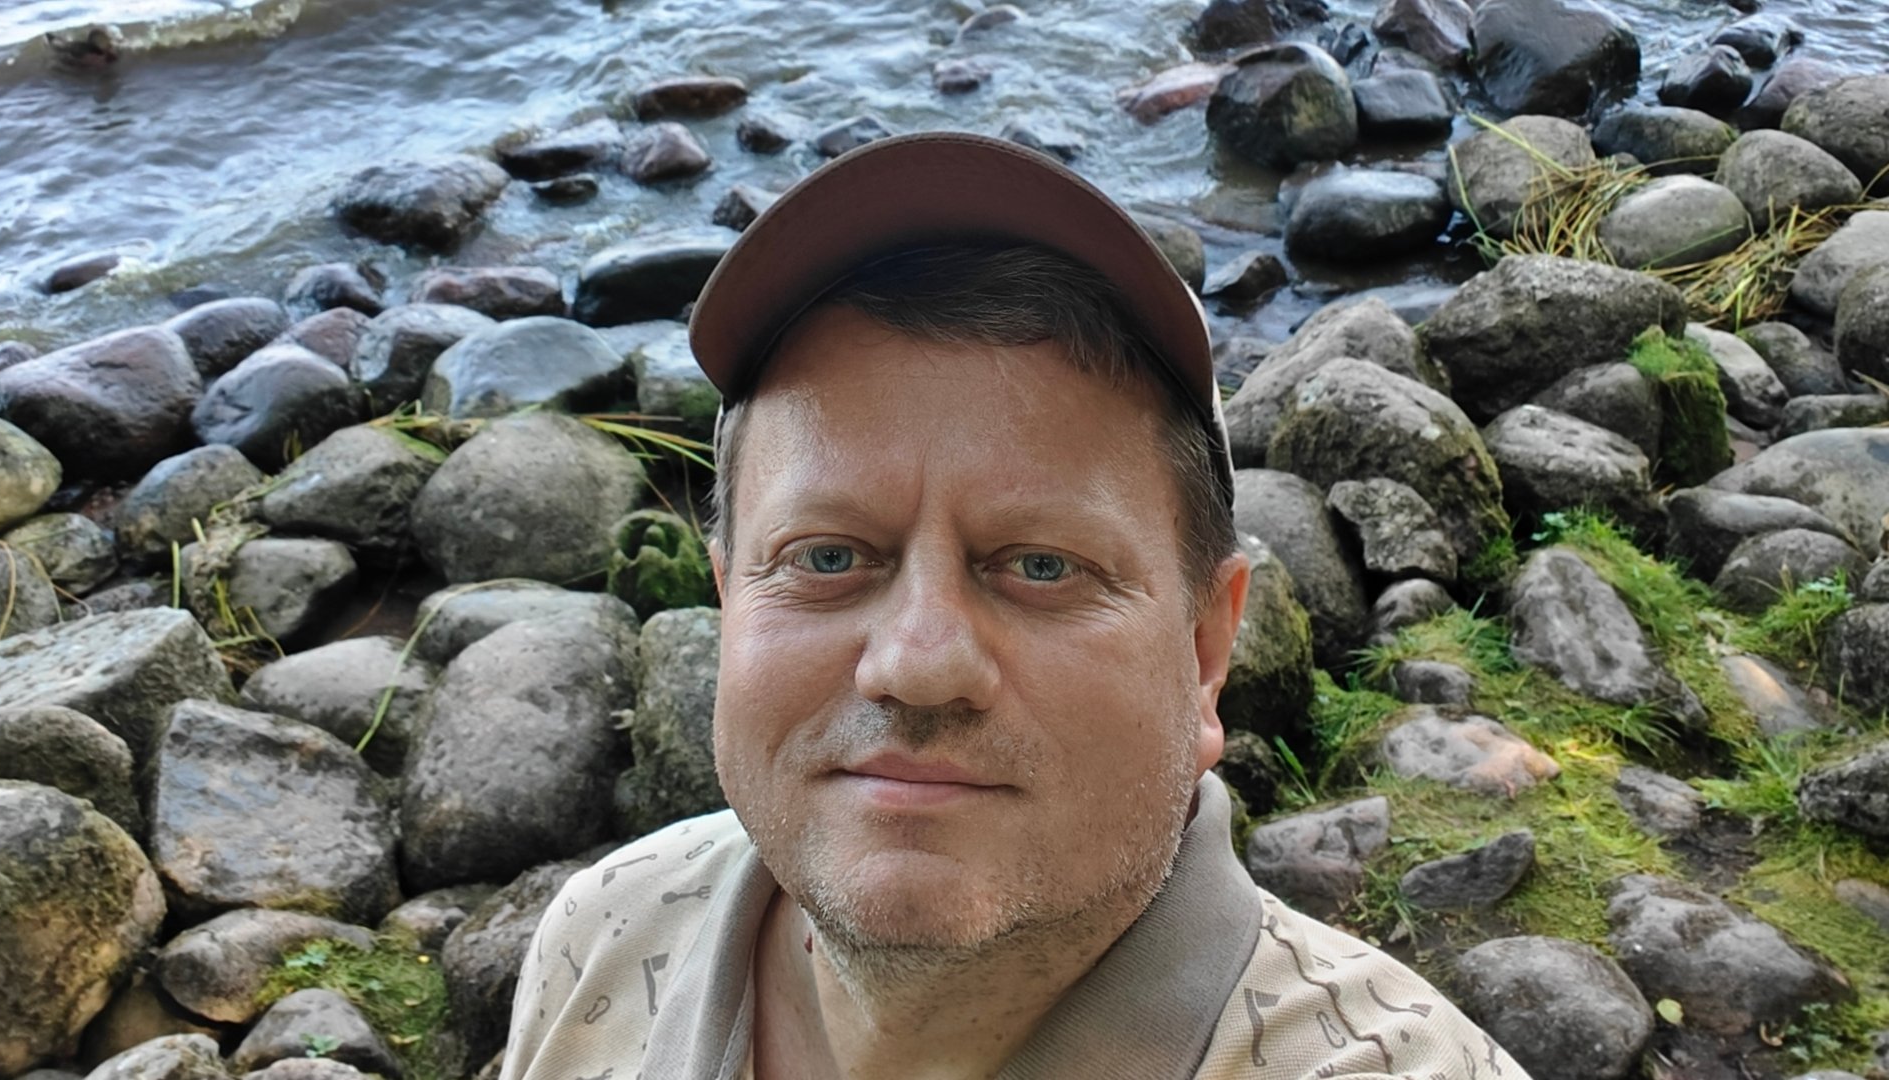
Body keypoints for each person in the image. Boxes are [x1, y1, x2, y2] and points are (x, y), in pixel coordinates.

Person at [500, 132, 1528, 1079]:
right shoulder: (606, 931)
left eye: (1041, 566)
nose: (917, 665)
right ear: (731, 609)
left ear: (1205, 652)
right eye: (827, 557)